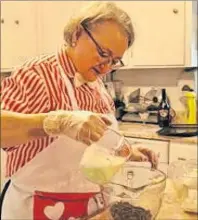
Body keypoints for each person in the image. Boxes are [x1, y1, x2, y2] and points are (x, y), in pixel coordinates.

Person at [0, 2, 158, 219]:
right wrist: (56, 122)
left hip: (90, 211)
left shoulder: (99, 87)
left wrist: (128, 152)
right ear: (77, 34)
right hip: (37, 210)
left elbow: (96, 146)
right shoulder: (36, 74)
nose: (106, 67)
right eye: (103, 53)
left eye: (114, 61)